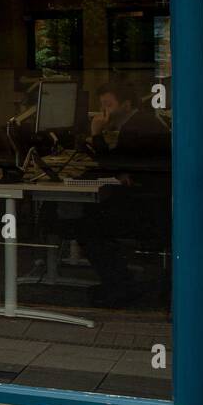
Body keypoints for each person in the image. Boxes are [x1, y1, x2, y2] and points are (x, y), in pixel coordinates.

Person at [74, 79, 171, 307]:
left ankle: (119, 286)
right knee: (94, 216)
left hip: (151, 207)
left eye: (108, 105)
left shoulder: (137, 127)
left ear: (126, 105)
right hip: (153, 201)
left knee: (89, 226)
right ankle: (119, 283)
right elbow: (120, 163)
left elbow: (113, 163)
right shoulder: (139, 122)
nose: (103, 111)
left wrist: (96, 134)